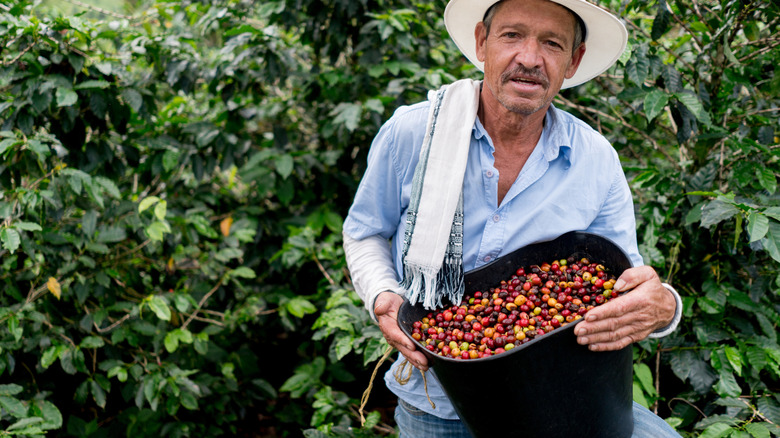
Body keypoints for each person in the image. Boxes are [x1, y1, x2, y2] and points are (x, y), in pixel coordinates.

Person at [342, 0, 684, 436]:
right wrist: (382, 296)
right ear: (482, 42)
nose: (529, 58)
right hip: (439, 401)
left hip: (555, 399)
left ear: (573, 61)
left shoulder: (595, 160)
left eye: (552, 43)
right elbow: (365, 232)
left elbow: (624, 283)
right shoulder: (415, 134)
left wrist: (664, 305)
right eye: (512, 35)